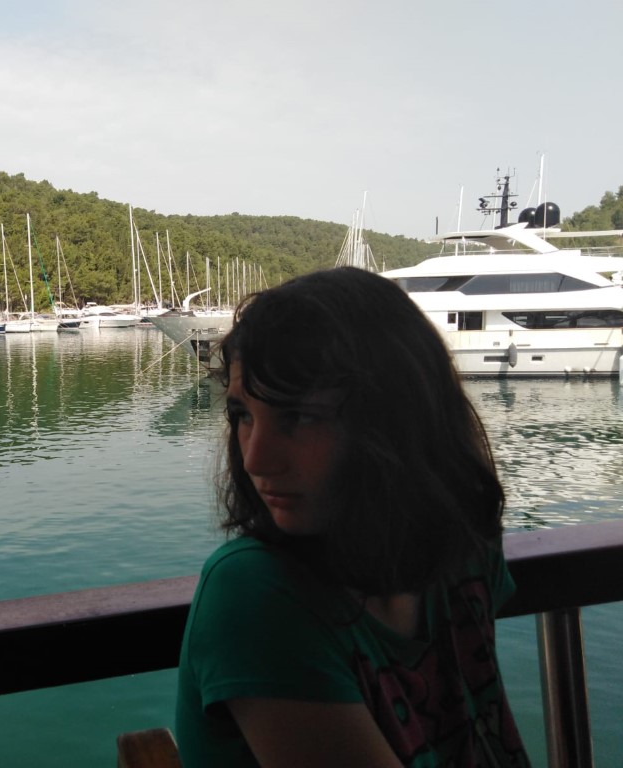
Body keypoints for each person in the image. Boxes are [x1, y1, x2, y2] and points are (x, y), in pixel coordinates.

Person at [175, 267, 531, 767]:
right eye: (243, 416)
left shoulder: (465, 550)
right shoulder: (253, 592)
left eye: (299, 417)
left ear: (396, 419)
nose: (255, 460)